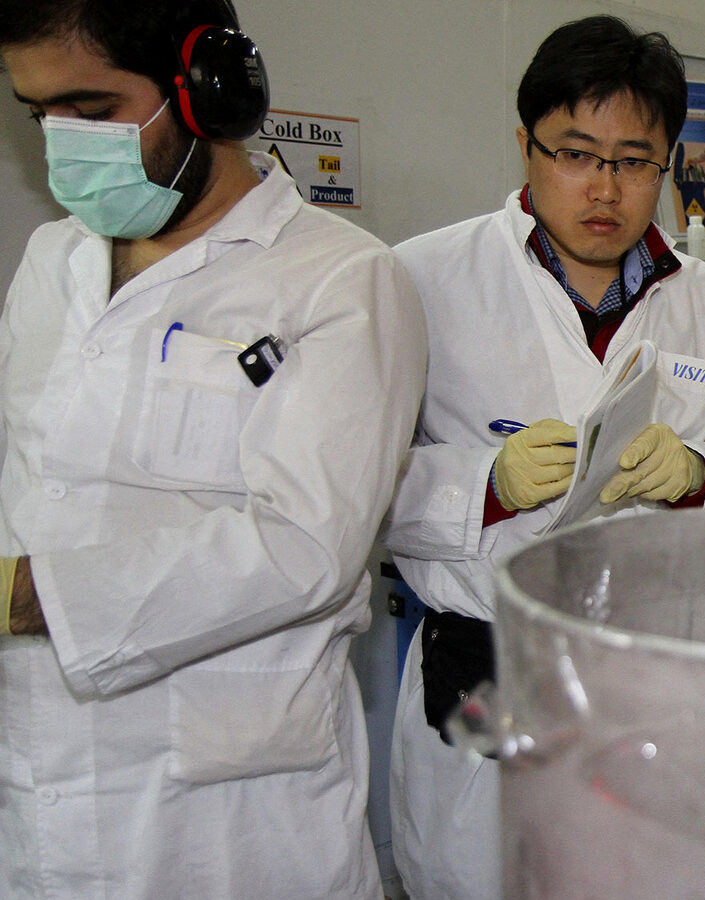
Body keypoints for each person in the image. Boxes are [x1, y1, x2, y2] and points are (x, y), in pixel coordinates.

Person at [0, 1, 428, 897]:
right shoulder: (52, 261)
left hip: (230, 817)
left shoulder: (341, 279)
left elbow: (304, 546)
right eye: (40, 115)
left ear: (208, 91)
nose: (65, 142)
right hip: (38, 788)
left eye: (94, 109)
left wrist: (28, 594)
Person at [382, 16, 705, 900]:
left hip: (661, 679)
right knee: (482, 877)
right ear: (526, 147)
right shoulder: (420, 278)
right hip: (487, 674)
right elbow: (357, 489)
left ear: (670, 163)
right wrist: (481, 485)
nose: (604, 187)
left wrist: (698, 474)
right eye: (575, 153)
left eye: (635, 160)